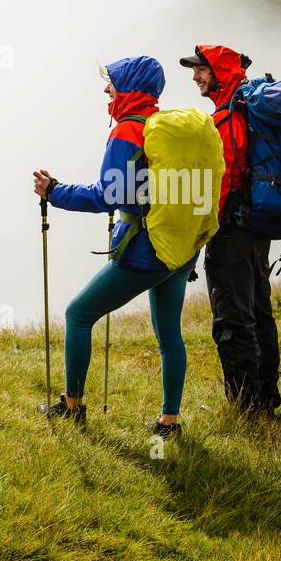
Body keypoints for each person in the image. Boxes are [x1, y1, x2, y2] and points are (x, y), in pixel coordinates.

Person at [31, 56, 196, 438]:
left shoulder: (127, 130)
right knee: (170, 332)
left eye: (113, 83)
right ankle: (168, 421)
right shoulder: (164, 126)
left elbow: (110, 195)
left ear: (131, 87)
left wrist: (55, 192)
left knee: (79, 314)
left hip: (146, 249)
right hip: (180, 246)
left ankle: (72, 406)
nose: (107, 89)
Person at [181, 45, 281, 416]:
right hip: (255, 228)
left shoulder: (226, 119)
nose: (195, 77)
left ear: (219, 72)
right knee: (258, 310)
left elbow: (224, 183)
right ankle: (266, 397)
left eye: (201, 70)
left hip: (231, 232)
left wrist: (199, 235)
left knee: (232, 318)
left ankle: (246, 406)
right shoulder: (244, 110)